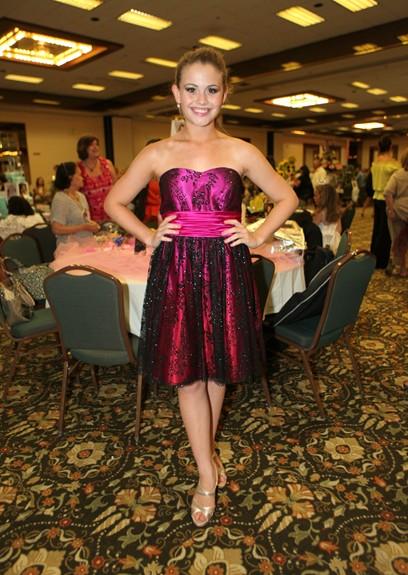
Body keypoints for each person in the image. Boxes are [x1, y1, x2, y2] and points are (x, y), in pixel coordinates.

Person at [104, 46, 298, 527]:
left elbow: (286, 197)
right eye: (191, 89)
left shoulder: (241, 150)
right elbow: (113, 202)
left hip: (227, 267)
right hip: (176, 269)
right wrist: (150, 234)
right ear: (176, 93)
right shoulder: (157, 152)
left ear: (224, 94)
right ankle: (206, 473)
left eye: (211, 89)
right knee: (188, 374)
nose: (201, 99)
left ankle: (206, 457)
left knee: (217, 372)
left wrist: (257, 235)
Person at [50, 162, 100, 245]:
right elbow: (57, 229)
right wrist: (84, 227)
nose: (83, 178)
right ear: (71, 178)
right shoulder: (61, 199)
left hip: (86, 244)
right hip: (70, 247)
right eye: (79, 175)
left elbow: (83, 219)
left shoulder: (81, 196)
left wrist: (92, 224)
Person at [370, 136, 400, 269]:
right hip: (387, 199)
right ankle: (381, 261)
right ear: (390, 146)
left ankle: (373, 257)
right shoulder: (393, 164)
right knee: (385, 232)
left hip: (376, 197)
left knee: (377, 229)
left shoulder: (375, 163)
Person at [77, 136, 116, 223]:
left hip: (110, 214)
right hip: (90, 217)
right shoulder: (78, 168)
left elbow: (116, 187)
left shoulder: (107, 164)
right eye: (91, 145)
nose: (96, 147)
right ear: (83, 148)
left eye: (97, 144)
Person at [384, 148, 408, 277]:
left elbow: (388, 192)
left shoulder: (398, 175)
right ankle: (403, 268)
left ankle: (399, 268)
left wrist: (391, 210)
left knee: (398, 240)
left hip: (399, 212)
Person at [313, 184, 341, 254]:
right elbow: (339, 230)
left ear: (322, 198)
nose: (314, 198)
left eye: (315, 195)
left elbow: (312, 228)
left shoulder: (321, 213)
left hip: (322, 245)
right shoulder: (336, 211)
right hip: (335, 245)